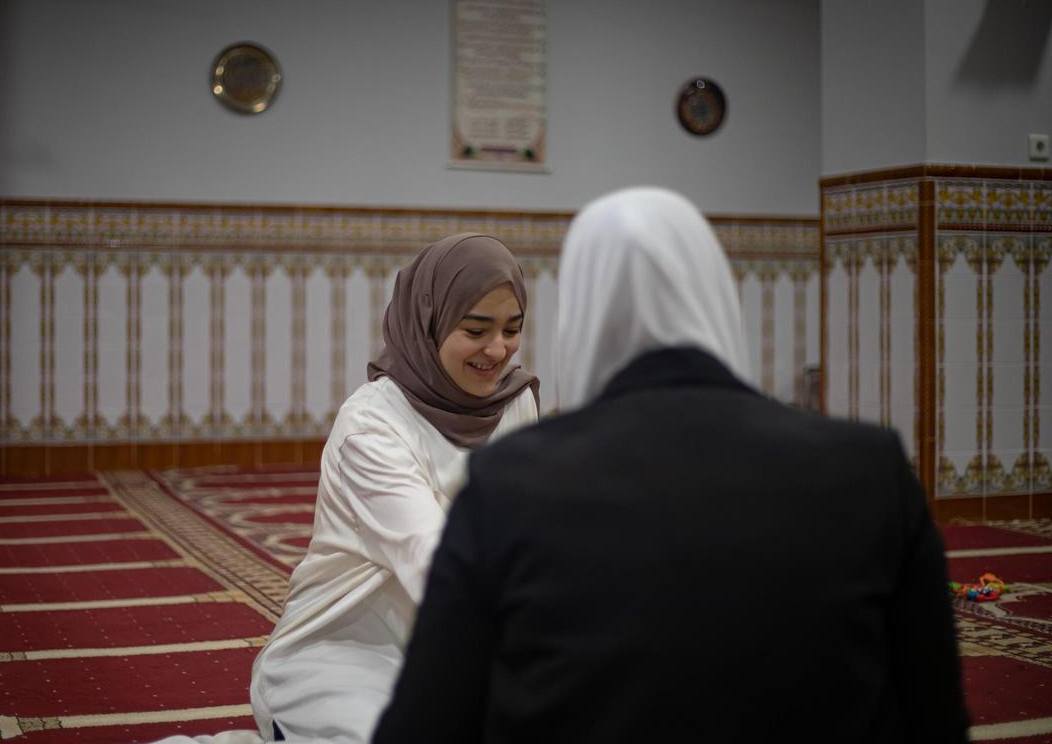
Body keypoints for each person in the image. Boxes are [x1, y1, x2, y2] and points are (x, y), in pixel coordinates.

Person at [374, 188, 969, 743]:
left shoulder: (509, 483)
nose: (499, 348)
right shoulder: (870, 468)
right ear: (717, 294)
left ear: (578, 314)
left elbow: (428, 722)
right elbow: (934, 714)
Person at [250, 233, 540, 743]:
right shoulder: (372, 425)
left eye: (512, 330)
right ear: (428, 323)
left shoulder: (514, 403)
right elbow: (433, 562)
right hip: (344, 656)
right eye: (476, 330)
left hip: (462, 651)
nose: (498, 350)